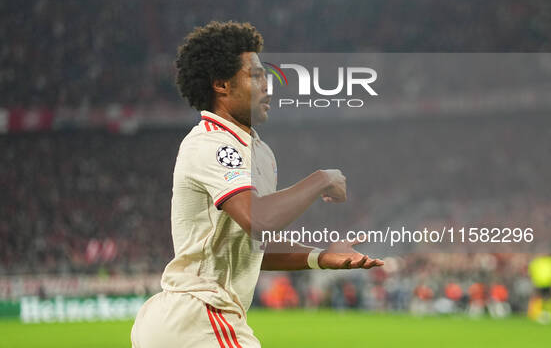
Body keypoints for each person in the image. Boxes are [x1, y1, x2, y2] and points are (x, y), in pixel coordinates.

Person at [130, 21, 384, 348]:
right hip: (200, 316)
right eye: (255, 76)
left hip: (195, 320)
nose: (268, 86)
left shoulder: (259, 153)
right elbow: (258, 219)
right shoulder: (211, 144)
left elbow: (250, 249)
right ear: (221, 85)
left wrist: (319, 256)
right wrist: (320, 179)